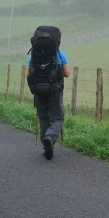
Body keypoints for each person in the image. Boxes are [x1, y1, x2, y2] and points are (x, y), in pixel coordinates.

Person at [27, 27, 70, 160]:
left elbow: (28, 74)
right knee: (58, 117)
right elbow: (67, 73)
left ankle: (46, 147)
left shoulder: (34, 54)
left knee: (43, 117)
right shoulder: (60, 54)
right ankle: (50, 138)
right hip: (54, 90)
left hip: (38, 91)